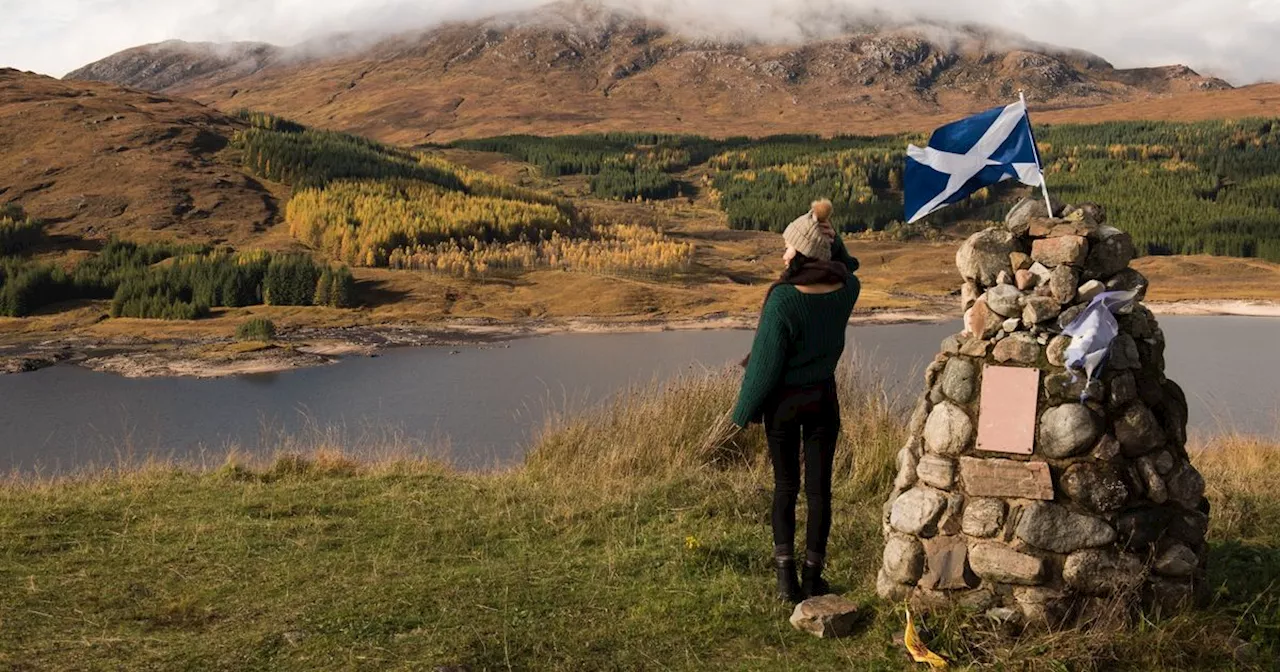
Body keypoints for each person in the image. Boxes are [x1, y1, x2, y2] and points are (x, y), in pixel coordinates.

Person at [731, 199, 860, 604]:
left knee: (785, 487)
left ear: (803, 253)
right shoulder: (845, 293)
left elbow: (766, 365)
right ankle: (813, 578)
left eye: (790, 246)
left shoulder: (784, 300)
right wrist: (832, 243)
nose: (784, 253)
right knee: (820, 492)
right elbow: (850, 267)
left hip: (784, 405)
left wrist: (743, 411)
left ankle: (786, 582)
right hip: (823, 398)